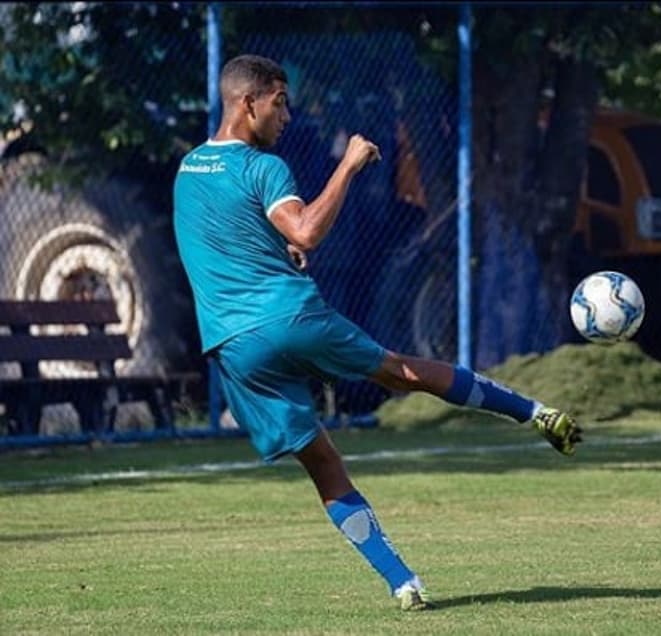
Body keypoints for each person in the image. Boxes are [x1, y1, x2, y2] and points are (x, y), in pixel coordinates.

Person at [172, 54, 582, 612]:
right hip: (290, 318)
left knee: (324, 464)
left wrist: (277, 251)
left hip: (233, 347)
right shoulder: (265, 167)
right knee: (403, 371)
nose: (287, 115)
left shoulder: (190, 168)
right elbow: (308, 232)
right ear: (248, 103)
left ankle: (403, 582)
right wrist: (348, 164)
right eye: (279, 101)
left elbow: (221, 238)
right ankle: (534, 413)